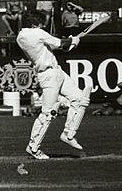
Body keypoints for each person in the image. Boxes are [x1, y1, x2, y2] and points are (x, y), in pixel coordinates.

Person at [16, 13, 90, 160]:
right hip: (49, 75)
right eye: (41, 24)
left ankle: (69, 134)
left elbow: (56, 47)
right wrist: (72, 40)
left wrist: (70, 43)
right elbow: (61, 43)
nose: (43, 27)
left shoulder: (21, 37)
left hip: (55, 72)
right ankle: (33, 147)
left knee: (80, 99)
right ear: (34, 24)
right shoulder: (36, 32)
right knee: (48, 113)